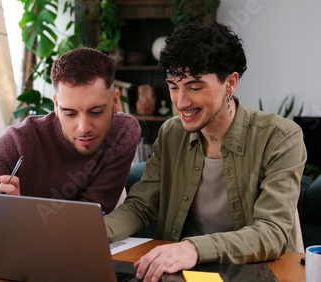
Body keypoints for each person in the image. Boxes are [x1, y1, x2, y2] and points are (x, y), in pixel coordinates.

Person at [103, 22, 307, 281]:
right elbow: (142, 206)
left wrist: (193, 248)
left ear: (230, 83)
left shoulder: (280, 137)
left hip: (256, 273)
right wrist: (96, 232)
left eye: (195, 87)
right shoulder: (170, 133)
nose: (181, 102)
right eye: (174, 86)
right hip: (182, 273)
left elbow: (272, 232)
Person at [0, 47, 141, 242]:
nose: (83, 128)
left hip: (81, 245)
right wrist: (2, 227)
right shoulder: (20, 139)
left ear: (115, 101)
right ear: (55, 104)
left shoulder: (123, 131)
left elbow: (87, 214)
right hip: (29, 248)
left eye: (96, 111)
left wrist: (23, 217)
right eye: (69, 113)